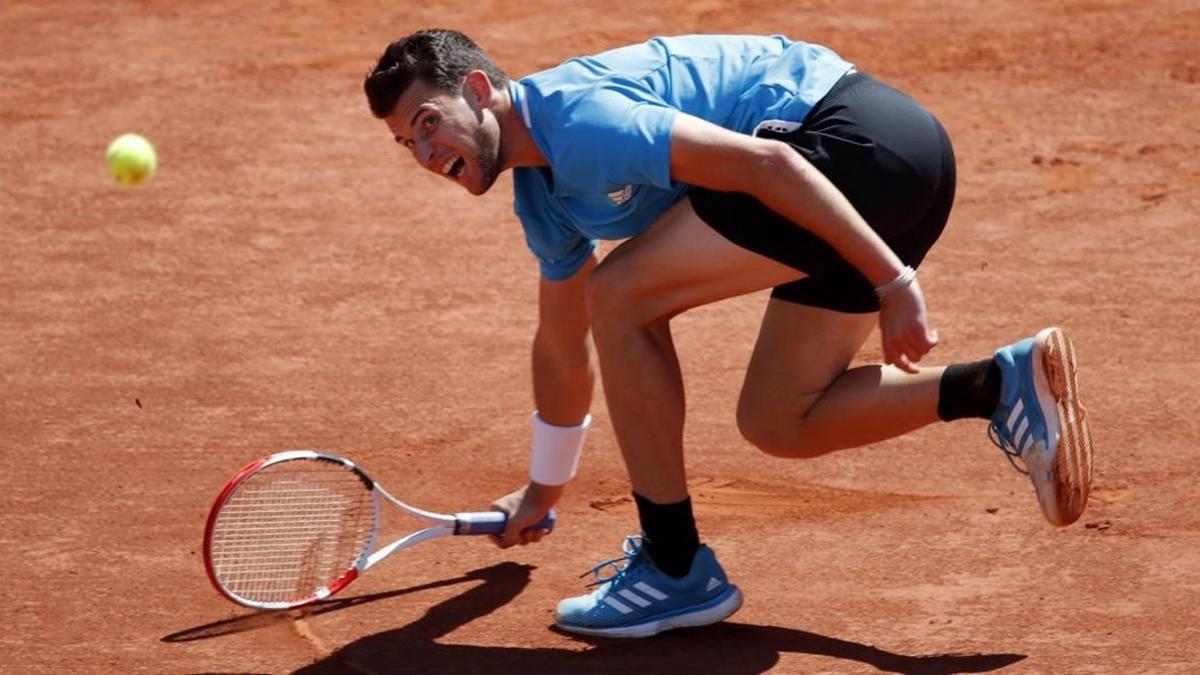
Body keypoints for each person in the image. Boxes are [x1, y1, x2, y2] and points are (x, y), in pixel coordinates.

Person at [363, 29, 1094, 638]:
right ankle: (999, 384)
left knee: (618, 294)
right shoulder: (543, 198)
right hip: (868, 175)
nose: (426, 153)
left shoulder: (575, 117)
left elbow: (767, 161)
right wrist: (541, 492)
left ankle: (674, 565)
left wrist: (892, 282)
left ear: (483, 90)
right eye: (407, 143)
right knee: (782, 418)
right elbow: (561, 346)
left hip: (857, 146)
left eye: (430, 121)